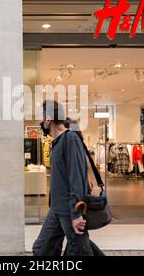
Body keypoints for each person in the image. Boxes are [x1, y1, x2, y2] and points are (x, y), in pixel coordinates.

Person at [32, 100, 93, 256]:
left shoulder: (70, 138)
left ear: (48, 118)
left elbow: (77, 178)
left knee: (80, 250)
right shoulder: (57, 142)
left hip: (69, 209)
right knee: (42, 249)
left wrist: (77, 214)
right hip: (57, 209)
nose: (40, 121)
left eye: (41, 117)